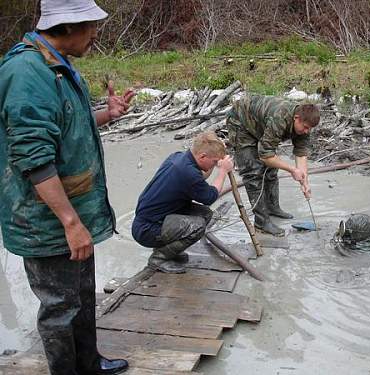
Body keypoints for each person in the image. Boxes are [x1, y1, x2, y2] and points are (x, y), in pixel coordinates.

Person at [0, 1, 134, 374]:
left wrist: (106, 114)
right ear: (68, 25)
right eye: (91, 26)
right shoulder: (27, 72)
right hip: (47, 220)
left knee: (81, 297)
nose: (95, 34)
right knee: (60, 307)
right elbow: (33, 156)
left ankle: (89, 363)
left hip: (74, 212)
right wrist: (70, 223)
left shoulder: (56, 66)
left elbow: (62, 126)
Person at [132, 131, 234, 273]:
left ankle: (169, 250)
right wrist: (222, 171)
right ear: (202, 156)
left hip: (151, 220)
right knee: (198, 226)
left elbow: (200, 176)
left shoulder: (178, 157)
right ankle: (159, 258)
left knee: (204, 214)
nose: (215, 165)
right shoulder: (188, 174)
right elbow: (210, 197)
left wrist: (217, 155)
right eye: (214, 162)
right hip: (148, 230)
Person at [226, 95, 320, 236]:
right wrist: (292, 170)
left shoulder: (305, 124)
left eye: (309, 129)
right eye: (305, 128)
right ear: (296, 118)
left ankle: (272, 208)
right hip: (241, 122)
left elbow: (301, 154)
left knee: (271, 169)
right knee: (253, 172)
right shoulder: (280, 119)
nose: (307, 131)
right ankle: (261, 223)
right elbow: (266, 156)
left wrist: (304, 182)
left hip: (261, 125)